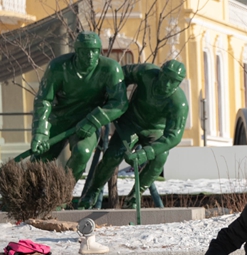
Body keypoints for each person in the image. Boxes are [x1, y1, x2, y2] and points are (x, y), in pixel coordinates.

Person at [78, 60, 189, 209]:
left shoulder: (179, 104)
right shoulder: (146, 72)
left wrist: (147, 152)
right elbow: (120, 75)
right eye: (165, 78)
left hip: (155, 130)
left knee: (160, 157)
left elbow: (173, 136)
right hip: (130, 122)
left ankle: (135, 195)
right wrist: (116, 98)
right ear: (160, 73)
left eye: (173, 82)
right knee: (113, 155)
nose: (167, 84)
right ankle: (93, 191)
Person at [30, 32, 128, 180]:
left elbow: (120, 102)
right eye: (84, 51)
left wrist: (94, 121)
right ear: (76, 51)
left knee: (83, 152)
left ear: (99, 51)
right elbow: (43, 100)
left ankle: (62, 193)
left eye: (94, 50)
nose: (90, 55)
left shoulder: (110, 69)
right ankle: (23, 198)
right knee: (40, 158)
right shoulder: (58, 67)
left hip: (88, 120)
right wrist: (40, 132)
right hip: (59, 118)